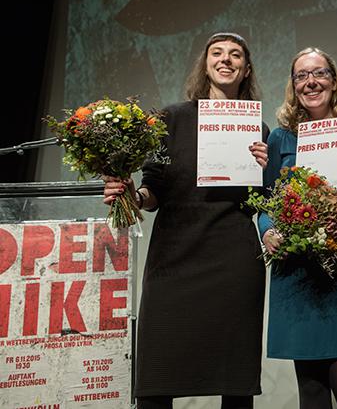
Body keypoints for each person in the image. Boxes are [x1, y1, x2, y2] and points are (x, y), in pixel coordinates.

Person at [103, 32, 269, 409]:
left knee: (235, 384)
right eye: (217, 53)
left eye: (235, 55)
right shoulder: (172, 118)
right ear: (205, 65)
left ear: (246, 69)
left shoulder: (257, 130)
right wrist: (132, 196)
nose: (225, 60)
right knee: (156, 382)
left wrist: (263, 168)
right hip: (173, 260)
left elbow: (259, 201)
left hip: (233, 263)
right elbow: (153, 189)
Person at [259, 47, 337, 409]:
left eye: (319, 73)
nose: (311, 82)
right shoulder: (280, 139)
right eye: (301, 75)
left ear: (334, 81)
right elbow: (267, 201)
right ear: (293, 85)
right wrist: (267, 230)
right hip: (298, 272)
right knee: (313, 391)